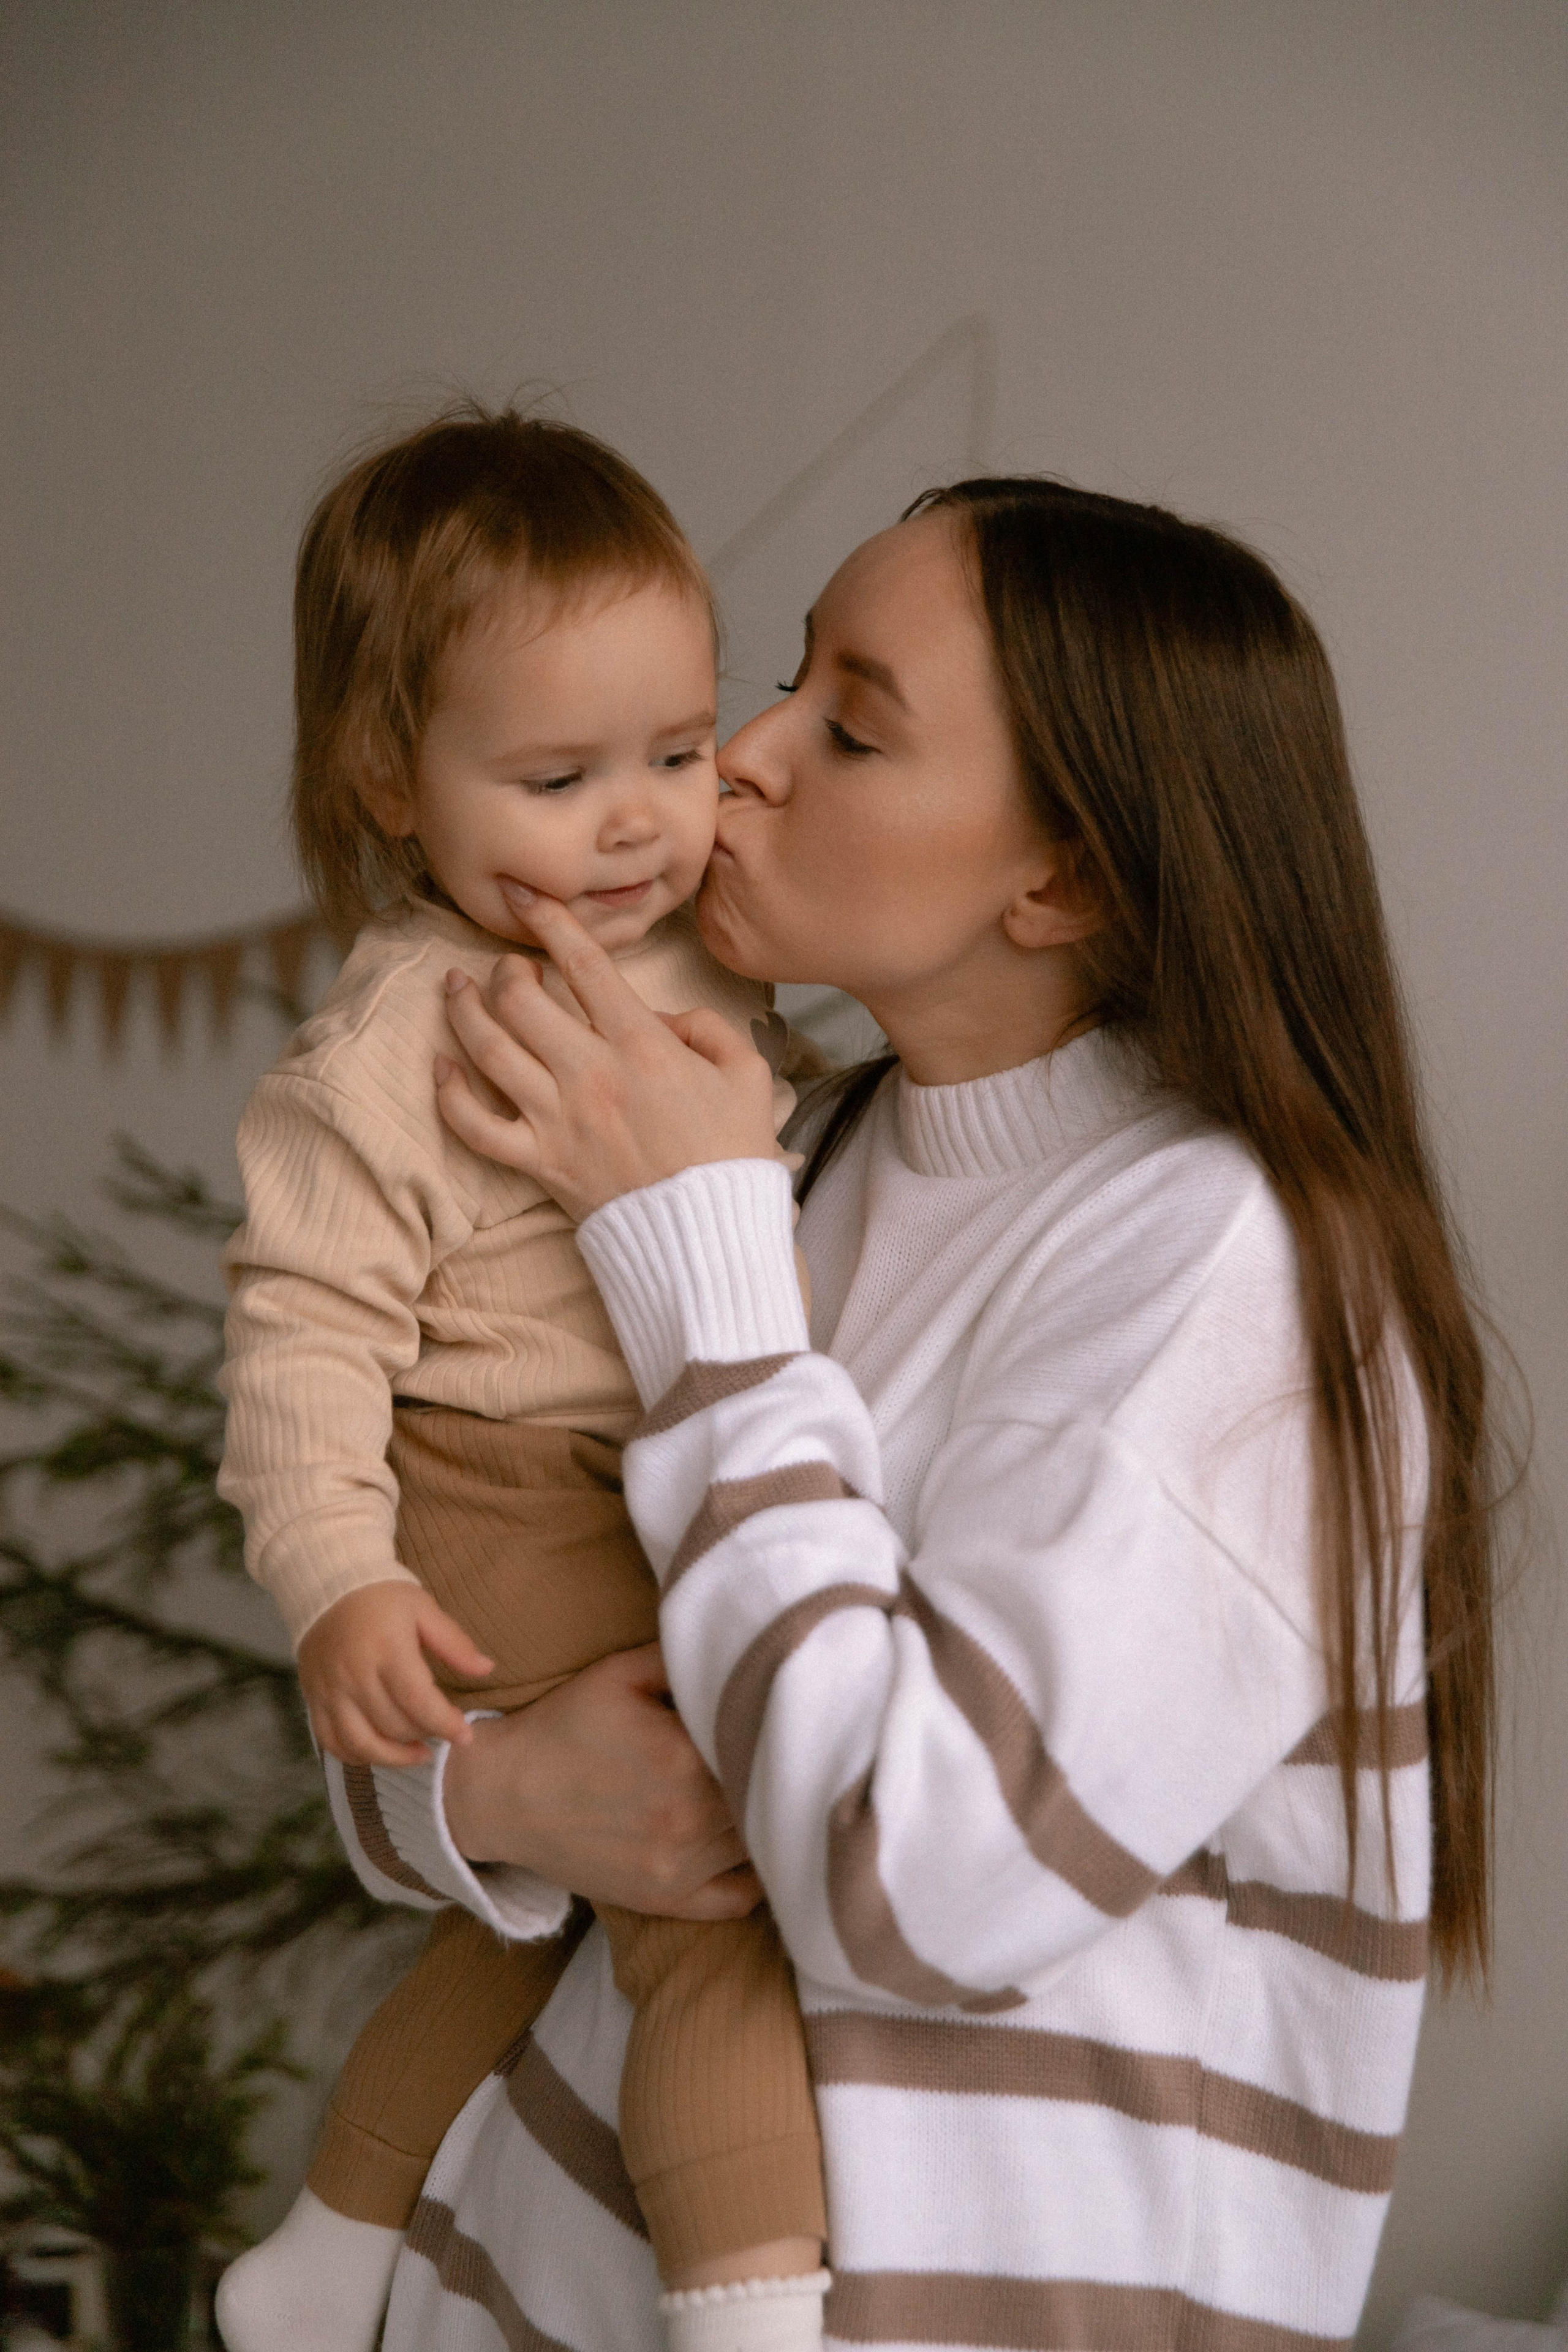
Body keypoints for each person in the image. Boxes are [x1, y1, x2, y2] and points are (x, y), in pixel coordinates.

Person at [333, 475, 1502, 2352]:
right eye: (788, 676)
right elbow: (443, 1627)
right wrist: (492, 1793)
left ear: (1067, 879)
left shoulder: (1238, 1272)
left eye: (854, 728)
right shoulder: (775, 1147)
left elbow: (917, 1893)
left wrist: (701, 1257)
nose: (744, 753)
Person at [213, 408, 833, 2352]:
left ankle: (328, 2247)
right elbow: (303, 1337)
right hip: (506, 1493)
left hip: (634, 1481)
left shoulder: (709, 946)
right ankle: (750, 2313)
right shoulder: (393, 1047)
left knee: (534, 1918)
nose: (639, 821)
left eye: (677, 750)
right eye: (560, 778)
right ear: (387, 780)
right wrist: (339, 1578)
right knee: (710, 1912)